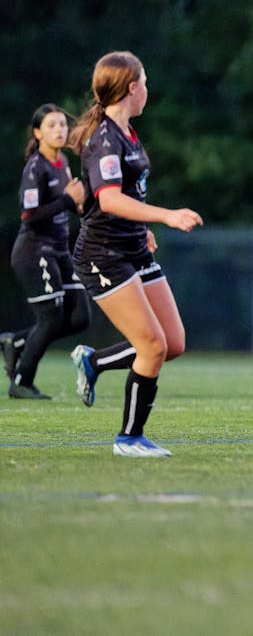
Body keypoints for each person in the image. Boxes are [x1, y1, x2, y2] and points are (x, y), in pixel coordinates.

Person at [67, 51, 203, 457]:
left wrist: (141, 227)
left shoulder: (126, 132)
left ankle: (94, 363)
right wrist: (166, 216)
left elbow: (125, 195)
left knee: (172, 343)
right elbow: (108, 200)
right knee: (152, 347)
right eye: (143, 81)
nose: (147, 88)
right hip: (102, 254)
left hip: (130, 246)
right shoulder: (104, 138)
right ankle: (128, 439)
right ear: (131, 88)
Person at [2, 104, 90, 399]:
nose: (60, 130)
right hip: (34, 251)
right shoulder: (35, 167)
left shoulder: (62, 161)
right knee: (50, 318)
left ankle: (15, 343)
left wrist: (77, 204)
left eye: (63, 124)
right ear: (38, 132)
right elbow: (29, 215)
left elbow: (68, 202)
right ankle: (22, 382)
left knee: (80, 317)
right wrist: (67, 200)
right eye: (51, 125)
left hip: (58, 250)